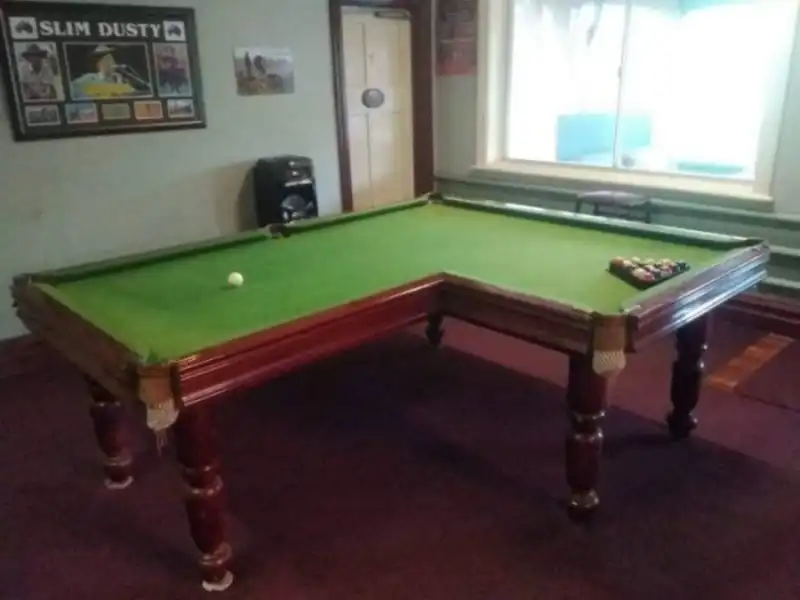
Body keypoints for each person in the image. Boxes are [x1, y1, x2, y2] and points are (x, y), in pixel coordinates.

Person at [70, 45, 150, 99]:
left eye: (111, 60)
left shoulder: (121, 80)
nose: (112, 63)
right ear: (99, 63)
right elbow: (72, 91)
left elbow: (136, 94)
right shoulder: (88, 79)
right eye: (107, 60)